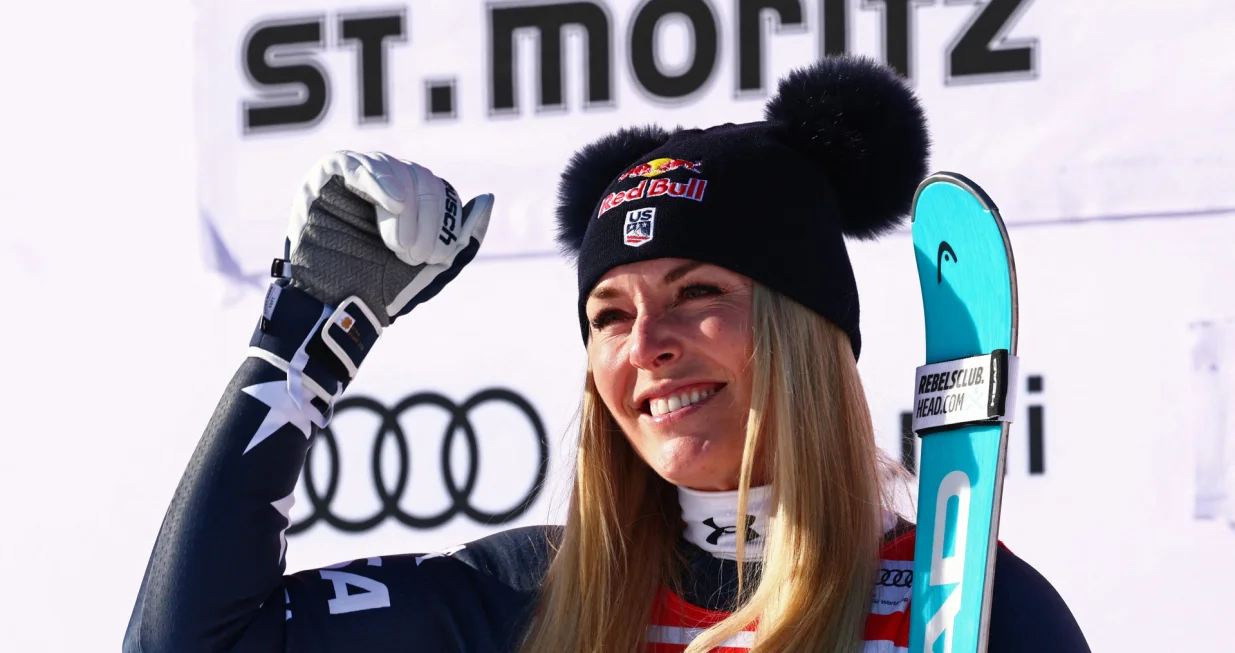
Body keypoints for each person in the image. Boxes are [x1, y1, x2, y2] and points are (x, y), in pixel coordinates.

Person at [124, 56, 1089, 652]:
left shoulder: (967, 612)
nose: (649, 347)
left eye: (698, 293)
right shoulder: (521, 602)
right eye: (609, 315)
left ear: (805, 333)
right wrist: (311, 330)